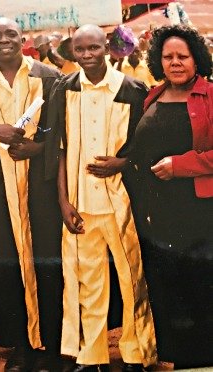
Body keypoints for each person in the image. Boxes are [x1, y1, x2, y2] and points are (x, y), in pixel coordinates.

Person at [0, 17, 64, 372]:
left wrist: (37, 149)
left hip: (42, 189)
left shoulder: (48, 78)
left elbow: (61, 130)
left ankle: (50, 342)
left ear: (23, 39)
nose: (4, 40)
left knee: (48, 263)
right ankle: (20, 344)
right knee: (7, 266)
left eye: (11, 35)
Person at [51, 24, 157, 371]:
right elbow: (59, 151)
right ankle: (91, 354)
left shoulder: (131, 88)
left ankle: (135, 352)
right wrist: (64, 202)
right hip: (80, 204)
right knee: (87, 280)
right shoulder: (63, 88)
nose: (87, 56)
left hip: (120, 202)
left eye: (93, 48)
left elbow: (144, 149)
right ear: (72, 52)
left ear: (107, 48)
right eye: (79, 50)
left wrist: (122, 163)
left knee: (131, 278)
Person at [131, 24, 213, 369]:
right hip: (158, 212)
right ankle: (179, 358)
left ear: (197, 59)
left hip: (199, 210)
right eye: (168, 56)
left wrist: (181, 165)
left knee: (202, 285)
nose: (175, 62)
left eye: (183, 56)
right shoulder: (153, 95)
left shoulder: (210, 96)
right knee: (168, 285)